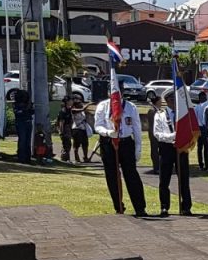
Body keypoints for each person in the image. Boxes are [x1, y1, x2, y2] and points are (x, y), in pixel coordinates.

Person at [94, 82, 147, 216]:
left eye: (120, 91)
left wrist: (138, 147)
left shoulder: (130, 107)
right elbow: (98, 125)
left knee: (131, 175)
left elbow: (136, 128)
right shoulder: (103, 106)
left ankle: (140, 208)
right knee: (112, 176)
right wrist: (108, 132)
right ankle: (118, 206)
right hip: (108, 142)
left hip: (126, 142)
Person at [154, 89, 193, 216]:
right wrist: (172, 136)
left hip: (181, 148)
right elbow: (157, 134)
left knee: (184, 179)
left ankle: (186, 207)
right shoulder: (160, 115)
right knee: (164, 179)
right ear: (166, 101)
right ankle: (164, 206)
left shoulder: (183, 115)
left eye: (175, 99)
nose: (174, 102)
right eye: (171, 100)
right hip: (166, 148)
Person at [12, 89, 33, 164]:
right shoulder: (16, 105)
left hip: (28, 122)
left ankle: (27, 158)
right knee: (23, 140)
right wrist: (26, 109)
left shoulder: (28, 104)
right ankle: (22, 157)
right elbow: (18, 113)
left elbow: (32, 112)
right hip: (21, 123)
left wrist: (29, 107)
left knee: (27, 141)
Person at [69, 94, 90, 163]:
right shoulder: (73, 110)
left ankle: (85, 157)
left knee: (85, 144)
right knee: (76, 144)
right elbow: (82, 109)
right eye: (79, 103)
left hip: (83, 129)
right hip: (77, 129)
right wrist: (88, 105)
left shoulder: (82, 111)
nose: (80, 104)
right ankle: (76, 158)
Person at [145, 93, 161, 175]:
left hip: (159, 133)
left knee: (160, 151)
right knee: (154, 151)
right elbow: (152, 124)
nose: (161, 103)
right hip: (154, 134)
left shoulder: (158, 110)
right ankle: (156, 167)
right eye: (160, 101)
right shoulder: (152, 111)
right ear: (157, 102)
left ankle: (159, 166)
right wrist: (154, 133)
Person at [194, 92, 208, 171]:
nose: (204, 99)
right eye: (203, 97)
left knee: (206, 147)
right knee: (200, 147)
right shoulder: (197, 107)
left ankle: (207, 164)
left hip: (205, 127)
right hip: (200, 127)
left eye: (205, 97)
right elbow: (195, 119)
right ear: (200, 98)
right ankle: (201, 164)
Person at [55, 96, 72, 161]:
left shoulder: (69, 109)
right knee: (66, 144)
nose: (71, 102)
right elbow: (61, 122)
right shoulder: (63, 111)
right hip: (64, 128)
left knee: (68, 144)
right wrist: (61, 132)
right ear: (67, 102)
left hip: (68, 128)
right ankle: (64, 158)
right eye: (70, 100)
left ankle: (67, 158)